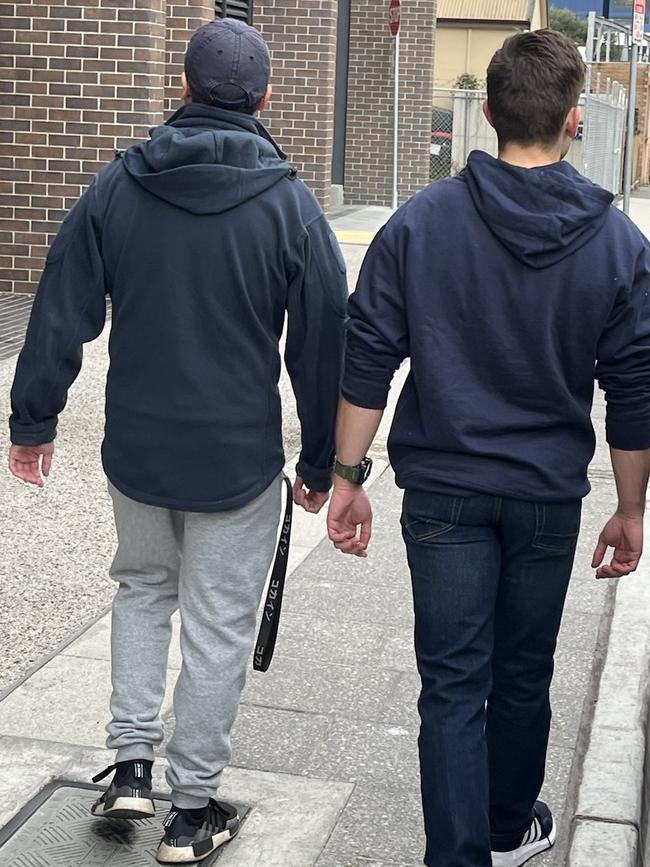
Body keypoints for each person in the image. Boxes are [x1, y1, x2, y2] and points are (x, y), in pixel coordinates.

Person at [8, 18, 347, 864]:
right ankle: (193, 808)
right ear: (264, 97)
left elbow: (62, 301)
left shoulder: (117, 186)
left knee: (141, 591)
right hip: (236, 459)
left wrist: (34, 416)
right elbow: (321, 343)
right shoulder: (291, 206)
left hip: (139, 450)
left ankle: (130, 764)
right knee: (219, 625)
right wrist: (321, 463)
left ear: (185, 86)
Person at [327, 29, 650, 867]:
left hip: (443, 492)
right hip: (547, 494)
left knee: (452, 684)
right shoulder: (619, 246)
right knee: (522, 673)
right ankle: (508, 829)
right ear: (572, 120)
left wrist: (347, 474)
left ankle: (462, 854)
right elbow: (634, 389)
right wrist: (630, 507)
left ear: (490, 116)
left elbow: (368, 356)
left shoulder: (420, 224)